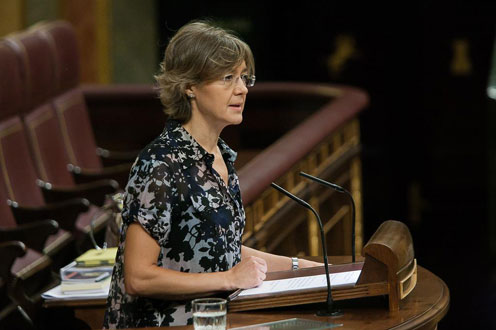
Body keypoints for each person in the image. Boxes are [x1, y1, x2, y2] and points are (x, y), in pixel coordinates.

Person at [103, 20, 321, 329]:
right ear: (189, 86)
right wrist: (230, 278)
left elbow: (220, 248)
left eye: (245, 78)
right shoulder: (161, 164)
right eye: (228, 78)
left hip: (216, 320)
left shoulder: (220, 156)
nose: (242, 89)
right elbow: (138, 277)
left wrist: (306, 269)